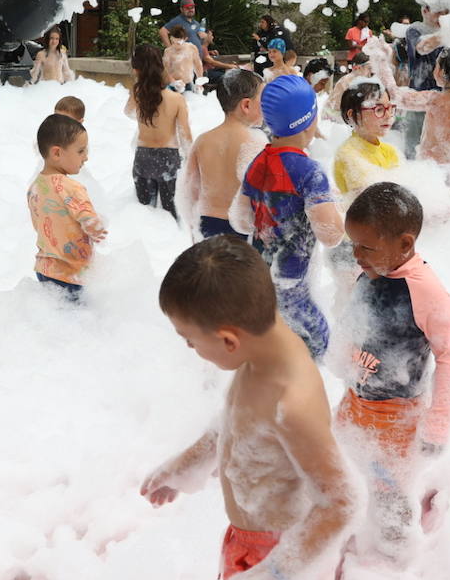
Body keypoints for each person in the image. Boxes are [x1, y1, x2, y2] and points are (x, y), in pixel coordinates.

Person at [141, 237, 356, 580]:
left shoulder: (292, 403)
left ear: (228, 340)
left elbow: (342, 502)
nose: (190, 349)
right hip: (253, 547)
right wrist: (184, 465)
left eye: (189, 341)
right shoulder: (260, 349)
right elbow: (237, 421)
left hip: (282, 558)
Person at [333, 182, 450, 563]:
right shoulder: (375, 270)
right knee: (347, 467)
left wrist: (438, 423)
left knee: (390, 492)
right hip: (356, 399)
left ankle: (394, 562)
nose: (356, 255)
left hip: (395, 415)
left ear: (405, 244)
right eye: (353, 244)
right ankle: (356, 534)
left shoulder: (426, 293)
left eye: (366, 247)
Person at [236, 75, 345, 359]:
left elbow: (241, 220)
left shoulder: (257, 162)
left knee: (272, 335)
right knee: (319, 341)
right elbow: (331, 235)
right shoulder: (310, 171)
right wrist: (337, 206)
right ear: (309, 122)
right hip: (292, 277)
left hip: (260, 271)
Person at [375, 12, 450, 200]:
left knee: (433, 209)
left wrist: (381, 61)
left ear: (443, 73)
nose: (433, 70)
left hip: (433, 168)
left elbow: (395, 95)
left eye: (437, 66)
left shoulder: (435, 100)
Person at [27, 113, 106, 303]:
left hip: (44, 269)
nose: (86, 157)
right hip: (71, 274)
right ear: (56, 153)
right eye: (81, 151)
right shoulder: (72, 188)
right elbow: (88, 217)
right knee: (80, 317)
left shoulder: (35, 186)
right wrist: (95, 227)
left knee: (56, 314)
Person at [183, 68, 266, 241]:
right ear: (246, 105)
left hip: (206, 225)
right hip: (241, 227)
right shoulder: (257, 144)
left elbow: (190, 191)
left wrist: (193, 232)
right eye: (263, 100)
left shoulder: (202, 141)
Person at [126, 44, 191, 220]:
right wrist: (190, 163)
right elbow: (185, 136)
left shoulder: (137, 94)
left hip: (143, 157)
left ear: (136, 69)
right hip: (168, 158)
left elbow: (128, 112)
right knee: (172, 213)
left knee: (145, 214)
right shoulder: (177, 99)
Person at [333, 81, 401, 209]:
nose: (388, 116)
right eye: (379, 109)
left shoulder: (389, 150)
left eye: (390, 108)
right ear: (352, 115)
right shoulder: (348, 154)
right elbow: (373, 206)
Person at [400, 3, 445, 159]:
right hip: (418, 99)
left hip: (442, 101)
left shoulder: (446, 34)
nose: (442, 17)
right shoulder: (415, 30)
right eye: (439, 12)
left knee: (437, 153)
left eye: (445, 13)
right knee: (413, 150)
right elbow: (422, 47)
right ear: (425, 11)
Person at [161, 0, 236, 86]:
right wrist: (171, 48)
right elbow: (162, 31)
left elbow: (199, 42)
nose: (190, 10)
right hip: (185, 66)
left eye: (192, 7)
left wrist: (208, 51)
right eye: (187, 8)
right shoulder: (178, 20)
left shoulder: (196, 23)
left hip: (198, 64)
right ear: (181, 9)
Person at [163, 24, 203, 92]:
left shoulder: (191, 48)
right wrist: (173, 81)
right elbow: (165, 71)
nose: (175, 45)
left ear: (185, 39)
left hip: (188, 83)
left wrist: (199, 82)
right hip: (173, 84)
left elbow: (198, 65)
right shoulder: (168, 52)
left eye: (178, 43)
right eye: (173, 42)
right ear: (170, 38)